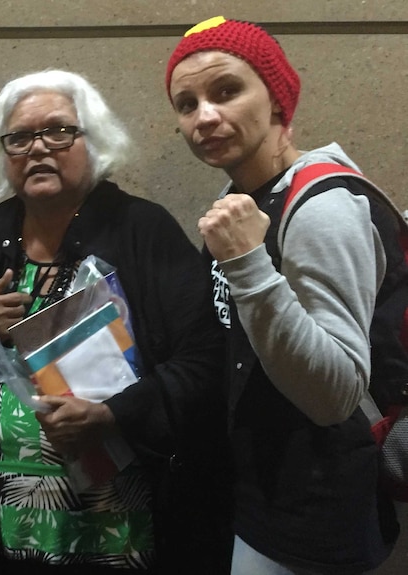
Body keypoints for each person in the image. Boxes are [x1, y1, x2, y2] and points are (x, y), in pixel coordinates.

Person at [0, 69, 233, 575]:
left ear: (93, 141)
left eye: (59, 131)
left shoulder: (143, 231)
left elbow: (206, 361)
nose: (38, 148)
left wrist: (111, 415)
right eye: (19, 138)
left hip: (123, 533)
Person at [166, 16, 401, 573]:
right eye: (186, 103)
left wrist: (248, 263)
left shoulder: (321, 208)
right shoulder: (243, 196)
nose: (205, 116)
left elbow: (335, 393)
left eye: (226, 90)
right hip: (258, 485)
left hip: (315, 508)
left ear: (276, 99)